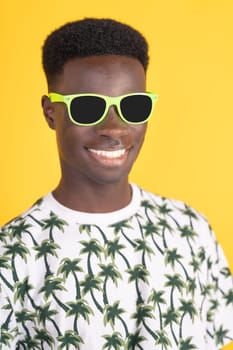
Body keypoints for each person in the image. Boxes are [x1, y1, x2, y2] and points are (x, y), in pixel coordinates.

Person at [0, 18, 232, 350]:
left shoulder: (191, 229)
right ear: (51, 112)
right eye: (88, 107)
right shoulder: (11, 255)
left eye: (133, 106)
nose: (115, 128)